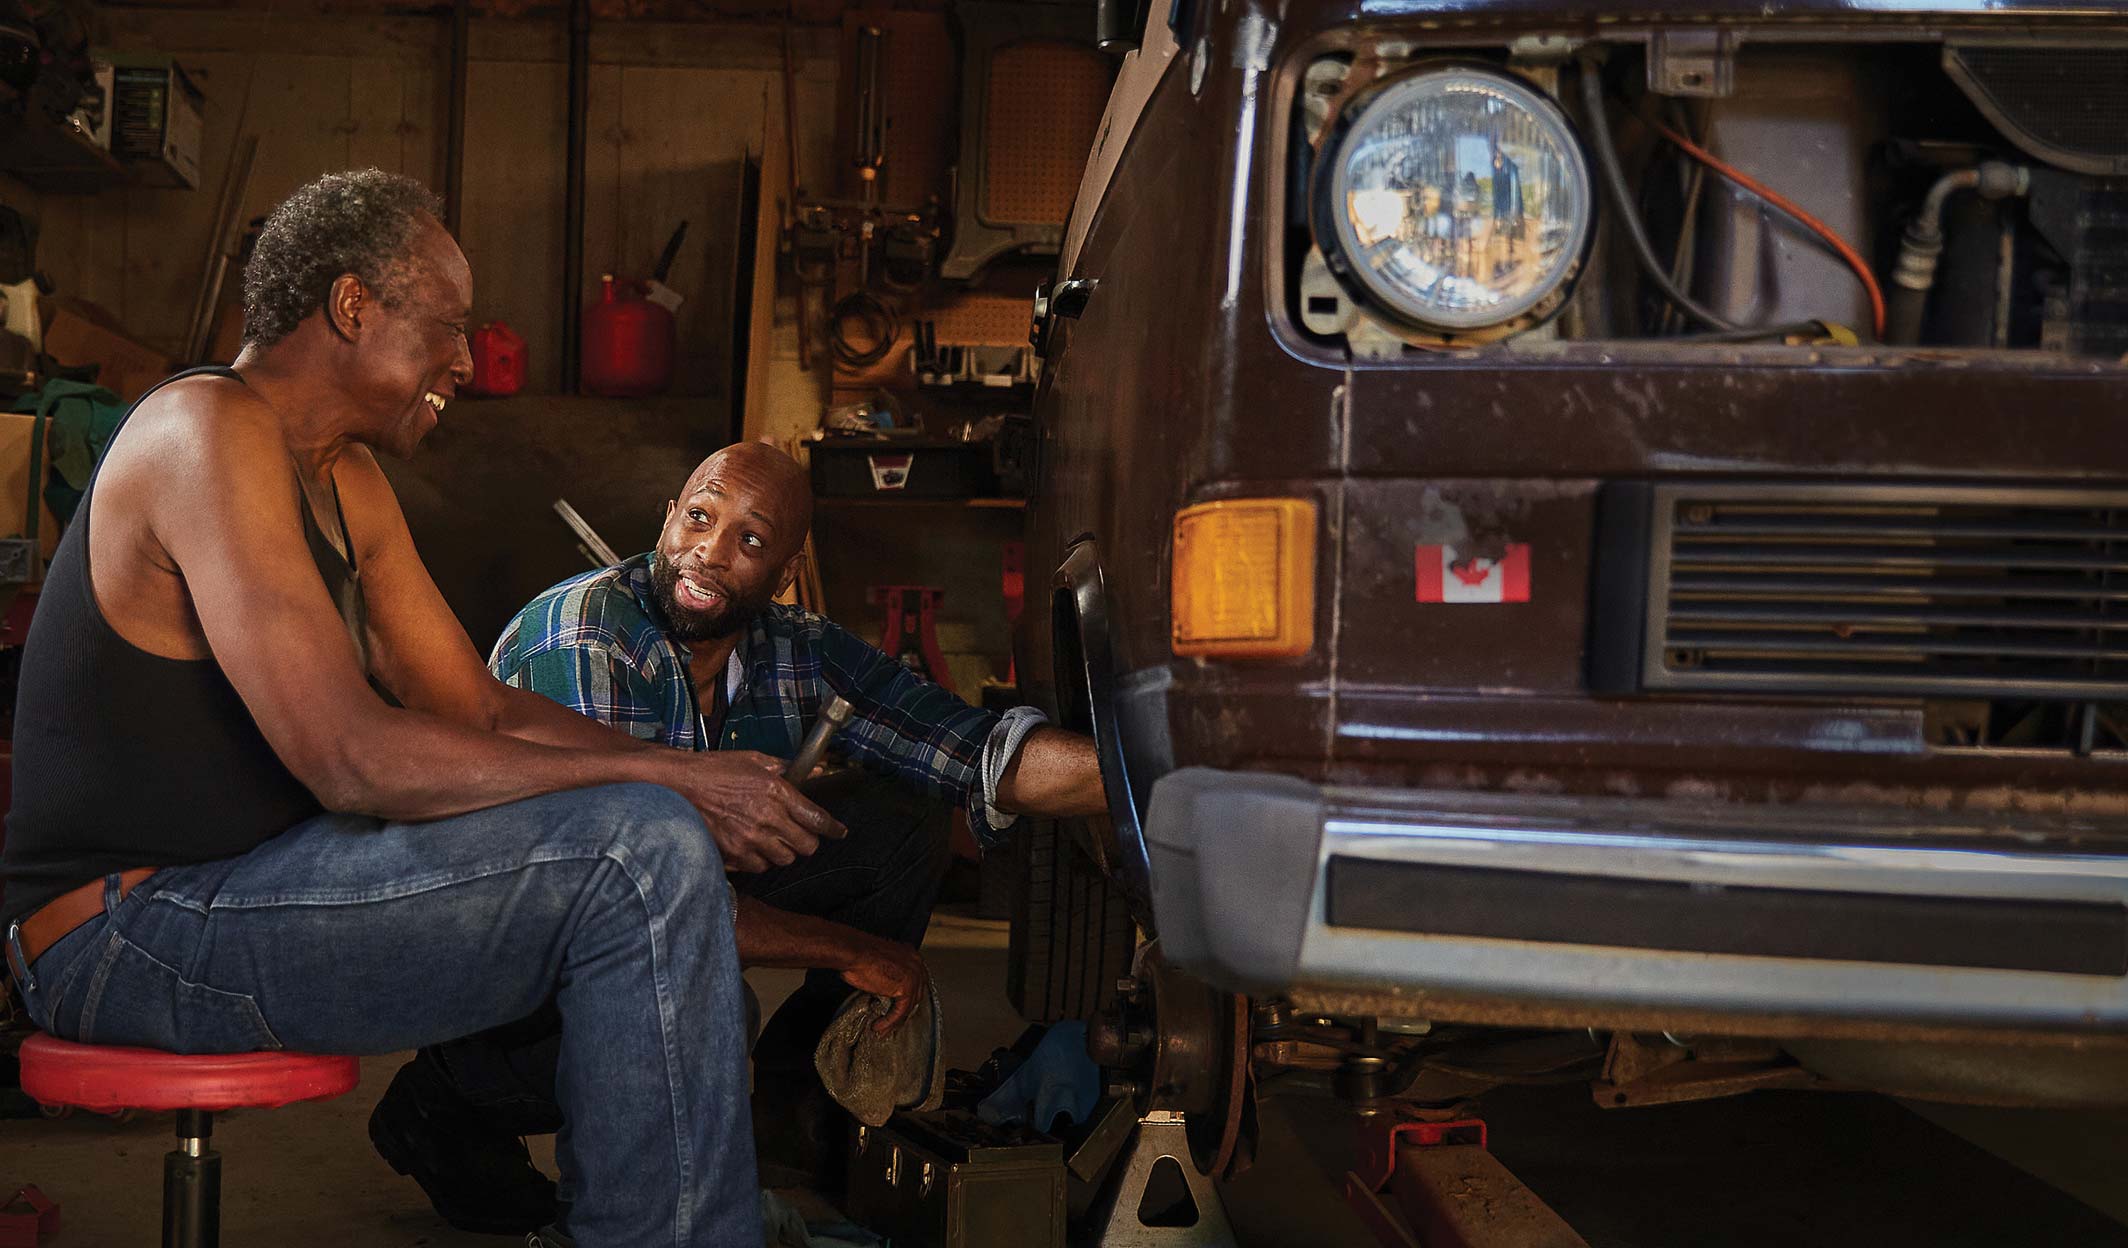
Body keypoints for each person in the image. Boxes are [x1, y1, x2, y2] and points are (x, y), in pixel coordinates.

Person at [0, 170, 841, 1248]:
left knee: (654, 852)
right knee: (640, 851)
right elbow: (352, 760)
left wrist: (702, 791)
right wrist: (676, 778)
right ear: (353, 307)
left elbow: (480, 712)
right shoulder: (202, 431)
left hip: (242, 894)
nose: (464, 362)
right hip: (125, 931)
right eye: (448, 328)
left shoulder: (342, 479)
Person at [370, 440, 1110, 1230]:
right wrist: (857, 953)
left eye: (749, 540)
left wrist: (1154, 782)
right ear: (667, 518)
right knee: (699, 1007)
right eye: (697, 517)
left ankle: (798, 1112)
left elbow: (975, 754)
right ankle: (446, 1097)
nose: (708, 553)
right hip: (511, 964)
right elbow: (633, 900)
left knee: (898, 819)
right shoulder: (585, 639)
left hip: (655, 904)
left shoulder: (795, 647)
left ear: (785, 570)